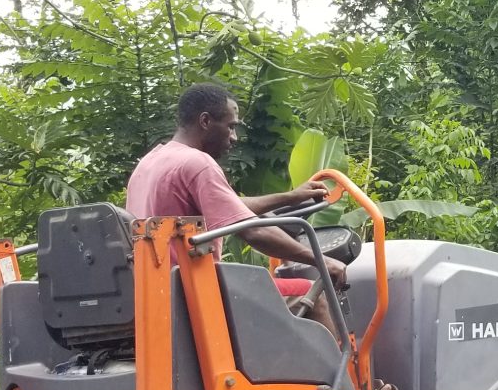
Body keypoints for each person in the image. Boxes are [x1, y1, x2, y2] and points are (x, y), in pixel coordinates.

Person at [126, 82, 346, 324]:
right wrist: (320, 260)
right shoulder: (198, 164)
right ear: (206, 121)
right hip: (194, 290)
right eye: (230, 127)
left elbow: (228, 207)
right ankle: (337, 363)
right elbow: (253, 230)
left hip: (157, 290)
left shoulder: (151, 162)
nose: (234, 137)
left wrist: (291, 196)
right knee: (309, 293)